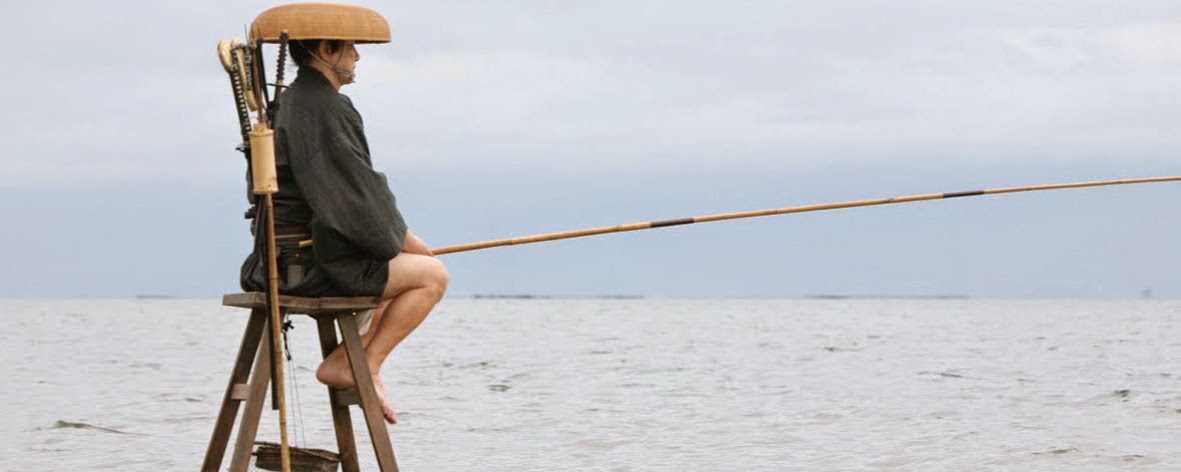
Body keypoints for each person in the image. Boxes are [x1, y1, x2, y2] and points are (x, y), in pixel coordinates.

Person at [240, 36, 448, 424]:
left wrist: (394, 241)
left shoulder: (286, 103)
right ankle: (366, 365)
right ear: (325, 50)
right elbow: (357, 196)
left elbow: (350, 194)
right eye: (349, 47)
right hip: (308, 265)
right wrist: (409, 241)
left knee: (399, 268)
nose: (357, 55)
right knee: (431, 276)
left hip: (278, 260)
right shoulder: (324, 107)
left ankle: (344, 361)